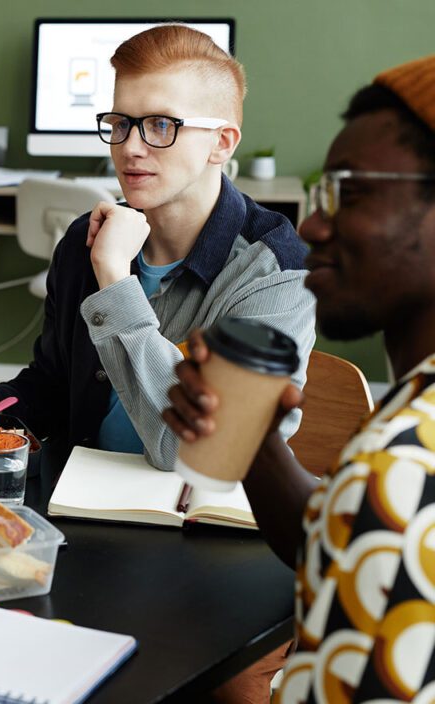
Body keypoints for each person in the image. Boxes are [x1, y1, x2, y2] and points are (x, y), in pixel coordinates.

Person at [0, 25, 316, 472]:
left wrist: (115, 281)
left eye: (161, 125)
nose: (129, 148)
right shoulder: (80, 242)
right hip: (79, 509)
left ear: (221, 143)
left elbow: (196, 455)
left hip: (196, 523)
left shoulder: (279, 273)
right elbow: (55, 385)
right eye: (120, 123)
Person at [163, 55, 435, 702]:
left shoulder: (401, 470)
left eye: (354, 192)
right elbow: (342, 542)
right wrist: (251, 437)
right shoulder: (409, 429)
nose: (311, 225)